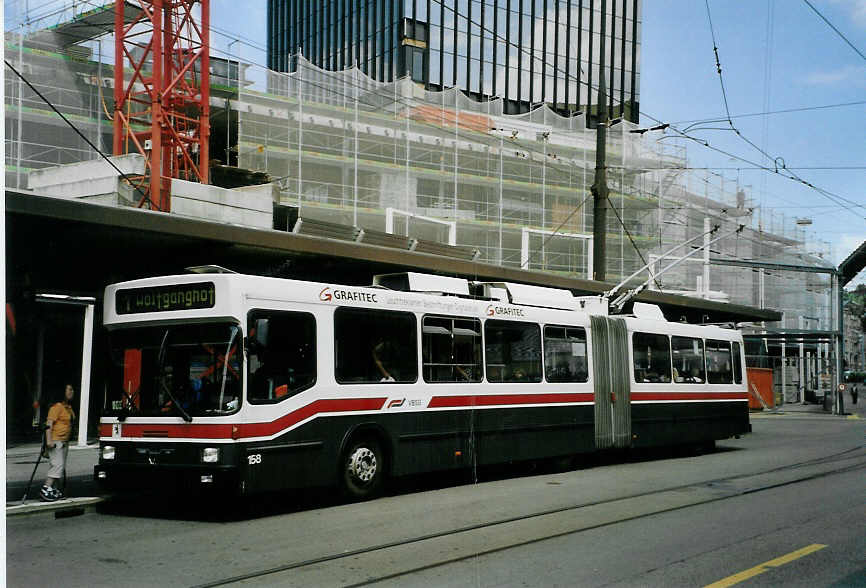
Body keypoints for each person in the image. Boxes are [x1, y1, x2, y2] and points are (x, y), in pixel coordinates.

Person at [40, 384, 76, 502]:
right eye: (69, 389)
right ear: (63, 391)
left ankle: (54, 489)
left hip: (64, 441)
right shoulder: (56, 407)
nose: (72, 392)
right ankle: (46, 487)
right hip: (56, 441)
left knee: (60, 467)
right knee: (57, 465)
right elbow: (48, 424)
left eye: (72, 390)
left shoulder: (68, 408)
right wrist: (49, 441)